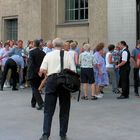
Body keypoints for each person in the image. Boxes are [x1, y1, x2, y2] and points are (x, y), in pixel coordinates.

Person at [39, 38, 76, 140]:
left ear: (53, 45)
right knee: (64, 109)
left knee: (48, 110)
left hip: (51, 80)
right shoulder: (68, 54)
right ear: (63, 45)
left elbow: (42, 70)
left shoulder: (48, 55)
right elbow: (73, 70)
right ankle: (63, 134)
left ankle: (46, 134)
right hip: (64, 81)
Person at [27, 39, 46, 110]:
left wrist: (30, 72)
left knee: (34, 88)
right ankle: (33, 103)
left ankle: (41, 103)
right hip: (40, 73)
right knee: (36, 87)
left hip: (33, 73)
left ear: (34, 44)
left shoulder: (31, 52)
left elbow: (31, 64)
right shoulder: (43, 53)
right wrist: (41, 71)